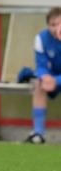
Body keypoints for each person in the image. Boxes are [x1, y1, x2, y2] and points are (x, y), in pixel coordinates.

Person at [23, 7, 61, 144]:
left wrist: (56, 80)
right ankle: (38, 134)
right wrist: (45, 77)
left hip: (56, 79)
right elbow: (40, 65)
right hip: (49, 80)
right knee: (38, 85)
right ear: (48, 25)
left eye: (59, 24)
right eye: (53, 25)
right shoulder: (41, 38)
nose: (56, 28)